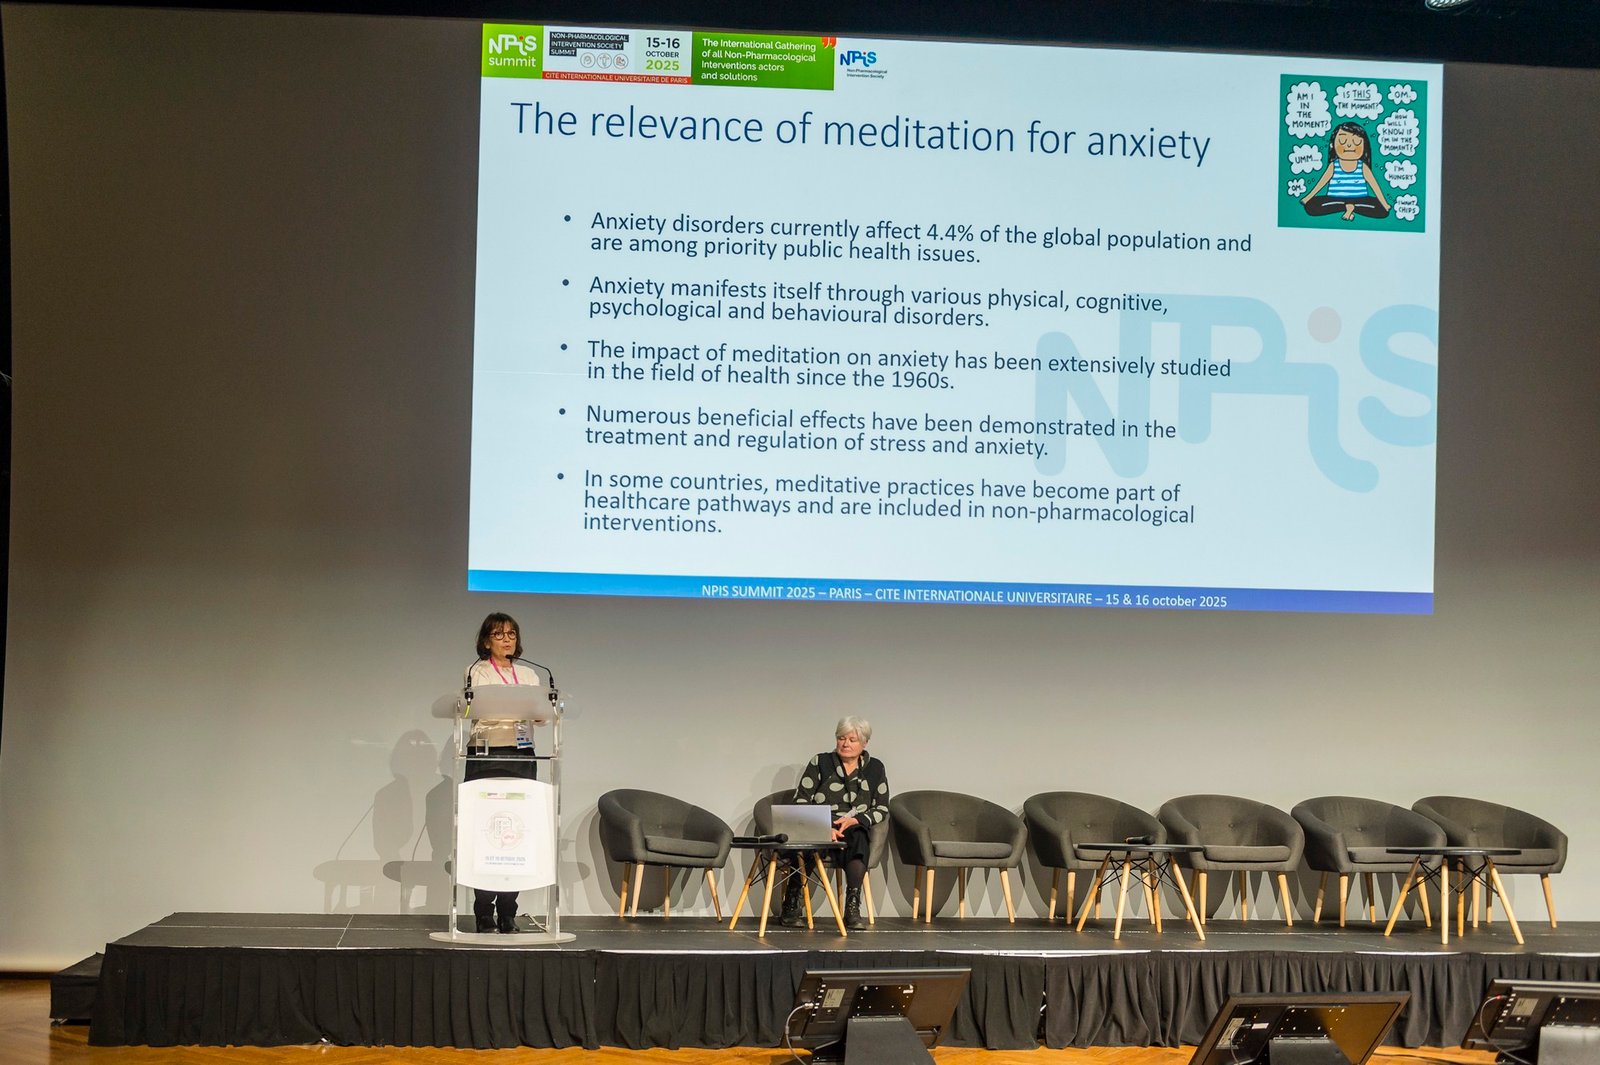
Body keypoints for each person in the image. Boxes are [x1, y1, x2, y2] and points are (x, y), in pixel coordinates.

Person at [463, 612, 541, 933]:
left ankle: (509, 911)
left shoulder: (530, 675)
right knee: (485, 833)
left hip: (521, 754)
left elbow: (540, 716)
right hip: (486, 754)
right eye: (499, 634)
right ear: (486, 641)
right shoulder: (476, 671)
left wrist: (535, 710)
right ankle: (484, 911)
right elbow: (476, 710)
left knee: (516, 834)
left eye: (511, 634)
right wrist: (513, 709)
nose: (507, 639)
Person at [781, 716, 889, 930]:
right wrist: (823, 827)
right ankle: (791, 904)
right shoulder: (820, 762)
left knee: (859, 836)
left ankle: (852, 906)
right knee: (810, 839)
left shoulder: (875, 768)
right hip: (821, 821)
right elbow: (801, 800)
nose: (845, 744)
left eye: (852, 740)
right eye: (841, 738)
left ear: (864, 743)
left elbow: (882, 807)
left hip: (853, 824)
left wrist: (856, 819)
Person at [1301, 121, 1391, 221]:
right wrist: (1308, 197)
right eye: (1342, 140)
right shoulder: (1334, 165)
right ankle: (1348, 207)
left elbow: (1375, 186)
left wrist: (1384, 203)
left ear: (1364, 145)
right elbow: (1321, 183)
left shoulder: (1362, 167)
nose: (1349, 145)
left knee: (1381, 209)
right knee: (1311, 206)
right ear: (1333, 144)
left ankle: (1351, 207)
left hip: (1360, 199)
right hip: (1335, 199)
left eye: (1356, 141)